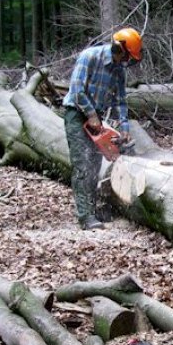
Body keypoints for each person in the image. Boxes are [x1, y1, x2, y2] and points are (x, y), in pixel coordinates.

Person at [62, 27, 143, 230]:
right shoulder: (89, 56)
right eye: (128, 56)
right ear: (121, 49)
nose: (129, 61)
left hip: (95, 116)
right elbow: (77, 90)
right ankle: (85, 215)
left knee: (96, 164)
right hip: (77, 113)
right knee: (83, 164)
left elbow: (120, 100)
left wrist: (124, 127)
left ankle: (93, 208)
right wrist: (90, 114)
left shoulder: (119, 71)